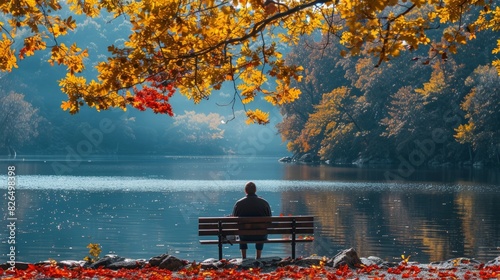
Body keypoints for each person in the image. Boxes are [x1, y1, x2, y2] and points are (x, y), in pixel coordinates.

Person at [232, 181, 272, 259]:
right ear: (255, 190)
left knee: (241, 229)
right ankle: (258, 257)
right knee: (261, 229)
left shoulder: (239, 203)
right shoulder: (264, 203)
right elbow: (269, 220)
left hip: (244, 236)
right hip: (261, 235)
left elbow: (235, 221)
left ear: (245, 191)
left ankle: (244, 257)